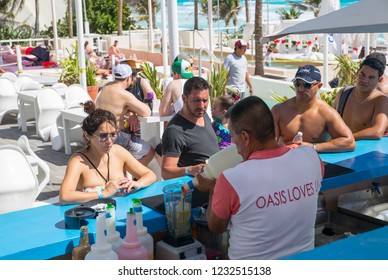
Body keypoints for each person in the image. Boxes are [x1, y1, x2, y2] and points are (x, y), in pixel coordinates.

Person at [196, 96, 324, 260]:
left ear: (245, 137)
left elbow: (216, 227)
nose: (235, 148)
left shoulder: (232, 179)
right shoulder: (311, 157)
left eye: (234, 138)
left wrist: (212, 189)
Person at [60, 102, 156, 205]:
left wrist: (137, 183)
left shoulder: (118, 152)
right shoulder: (78, 161)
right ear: (88, 136)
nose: (109, 141)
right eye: (103, 136)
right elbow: (64, 196)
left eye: (113, 135)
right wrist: (103, 194)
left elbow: (150, 175)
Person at [161, 76, 219, 206]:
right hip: (200, 198)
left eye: (205, 100)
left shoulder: (204, 116)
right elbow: (166, 171)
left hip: (216, 189)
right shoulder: (175, 130)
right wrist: (191, 169)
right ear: (184, 98)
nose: (201, 105)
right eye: (196, 100)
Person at [271, 65, 355, 152]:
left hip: (313, 162)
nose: (300, 89)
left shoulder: (326, 113)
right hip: (285, 161)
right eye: (297, 84)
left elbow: (349, 142)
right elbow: (268, 144)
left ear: (319, 86)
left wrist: (312, 147)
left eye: (307, 85)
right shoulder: (278, 111)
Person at [95, 63, 155, 166]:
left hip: (98, 133)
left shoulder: (106, 87)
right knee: (150, 152)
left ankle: (125, 173)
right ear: (128, 78)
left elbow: (115, 107)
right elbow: (147, 112)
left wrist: (131, 112)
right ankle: (131, 176)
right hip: (114, 137)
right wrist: (146, 101)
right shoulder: (125, 95)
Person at [333, 56, 388, 140]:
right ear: (357, 73)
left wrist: (347, 139)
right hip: (341, 148)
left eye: (371, 77)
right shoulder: (343, 93)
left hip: (363, 151)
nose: (365, 80)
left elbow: (377, 131)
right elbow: (330, 120)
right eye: (362, 75)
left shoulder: (381, 100)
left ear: (379, 80)